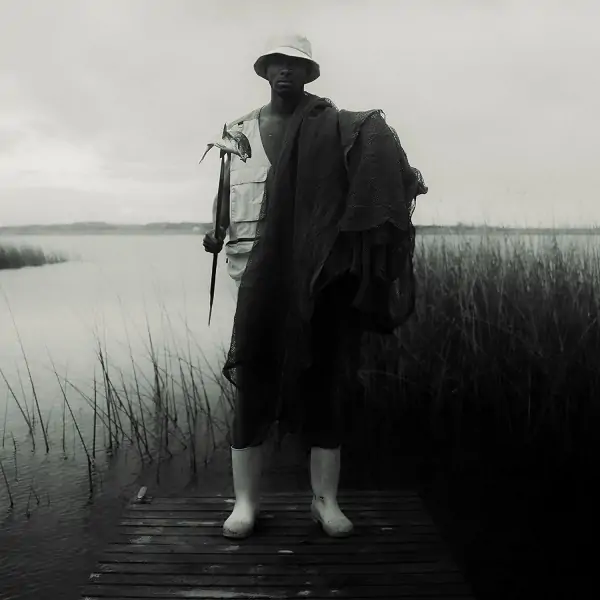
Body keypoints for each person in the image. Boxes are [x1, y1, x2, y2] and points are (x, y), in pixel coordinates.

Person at [203, 33, 427, 540]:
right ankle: (245, 504)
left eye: (295, 64)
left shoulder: (336, 126)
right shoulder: (236, 131)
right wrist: (214, 231)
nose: (285, 71)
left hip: (320, 276)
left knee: (325, 383)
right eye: (276, 63)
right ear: (264, 70)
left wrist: (387, 162)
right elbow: (226, 200)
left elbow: (370, 173)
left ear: (309, 73)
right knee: (254, 380)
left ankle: (325, 502)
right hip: (253, 278)